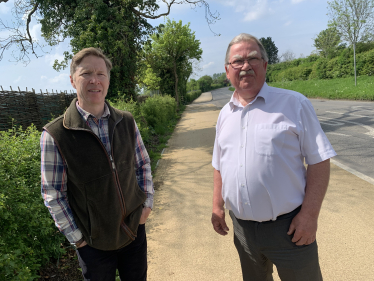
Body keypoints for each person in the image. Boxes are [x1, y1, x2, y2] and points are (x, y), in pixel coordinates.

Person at [211, 33, 336, 281]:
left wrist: (310, 215)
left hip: (289, 229)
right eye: (237, 61)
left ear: (265, 65)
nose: (245, 66)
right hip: (243, 231)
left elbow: (320, 159)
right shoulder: (225, 114)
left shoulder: (294, 104)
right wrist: (217, 205)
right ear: (228, 71)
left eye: (253, 58)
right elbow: (219, 163)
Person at [41, 47, 154, 281]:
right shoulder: (55, 135)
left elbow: (142, 164)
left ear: (108, 80)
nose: (95, 80)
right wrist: (78, 239)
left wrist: (147, 205)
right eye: (86, 74)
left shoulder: (127, 121)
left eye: (101, 74)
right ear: (73, 81)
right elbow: (54, 194)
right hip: (93, 246)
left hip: (133, 232)